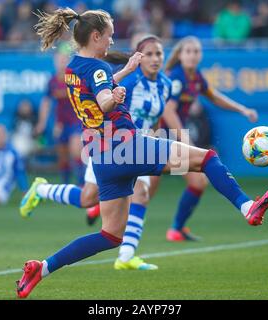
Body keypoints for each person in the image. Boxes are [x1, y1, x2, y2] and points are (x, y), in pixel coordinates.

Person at [16, 8, 268, 299]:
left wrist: (124, 74)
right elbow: (103, 96)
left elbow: (95, 87)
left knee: (110, 235)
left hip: (104, 158)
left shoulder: (71, 68)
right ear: (95, 36)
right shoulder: (100, 69)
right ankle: (247, 207)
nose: (112, 41)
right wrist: (112, 97)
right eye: (109, 36)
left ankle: (41, 269)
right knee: (207, 159)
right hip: (126, 145)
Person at [20, 35, 171, 271]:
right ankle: (42, 189)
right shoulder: (128, 80)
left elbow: (153, 118)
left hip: (132, 144)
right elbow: (103, 99)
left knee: (99, 197)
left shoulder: (162, 84)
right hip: (109, 143)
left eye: (158, 53)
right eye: (148, 53)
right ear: (137, 56)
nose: (154, 58)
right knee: (106, 196)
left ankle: (125, 255)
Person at [162, 36, 259, 242]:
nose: (193, 55)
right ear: (180, 54)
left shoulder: (195, 77)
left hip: (171, 137)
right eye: (188, 51)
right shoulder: (177, 77)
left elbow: (214, 97)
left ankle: (176, 229)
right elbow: (168, 112)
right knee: (140, 190)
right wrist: (185, 141)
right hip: (160, 136)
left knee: (197, 183)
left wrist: (242, 109)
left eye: (196, 51)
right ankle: (97, 202)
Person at [34, 44, 85, 185]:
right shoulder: (52, 81)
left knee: (76, 151)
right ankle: (65, 185)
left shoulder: (74, 78)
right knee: (63, 156)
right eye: (58, 60)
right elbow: (46, 102)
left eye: (63, 59)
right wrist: (42, 123)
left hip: (77, 121)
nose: (61, 62)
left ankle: (82, 185)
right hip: (61, 123)